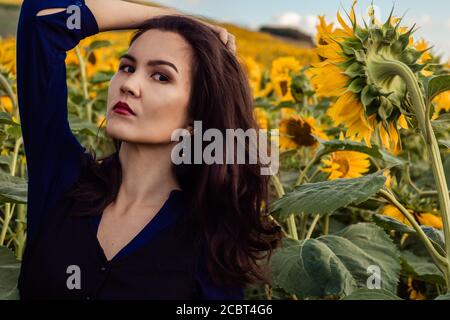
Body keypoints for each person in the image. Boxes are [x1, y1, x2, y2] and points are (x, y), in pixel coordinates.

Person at [16, 0, 282, 300]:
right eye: (127, 67)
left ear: (196, 118)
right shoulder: (63, 180)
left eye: (160, 76)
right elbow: (42, 18)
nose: (129, 84)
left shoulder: (209, 239)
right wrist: (176, 19)